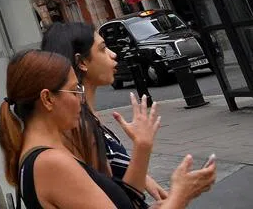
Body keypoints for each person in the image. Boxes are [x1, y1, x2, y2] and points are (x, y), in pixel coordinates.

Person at [0, 49, 215, 209]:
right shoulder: (50, 163)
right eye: (74, 91)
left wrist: (142, 147)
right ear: (47, 99)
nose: (80, 101)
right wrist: (180, 194)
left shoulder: (43, 155)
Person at [42, 21, 166, 202]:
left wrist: (143, 177)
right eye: (102, 49)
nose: (113, 54)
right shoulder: (78, 127)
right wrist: (142, 147)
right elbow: (117, 201)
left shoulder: (86, 119)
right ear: (82, 62)